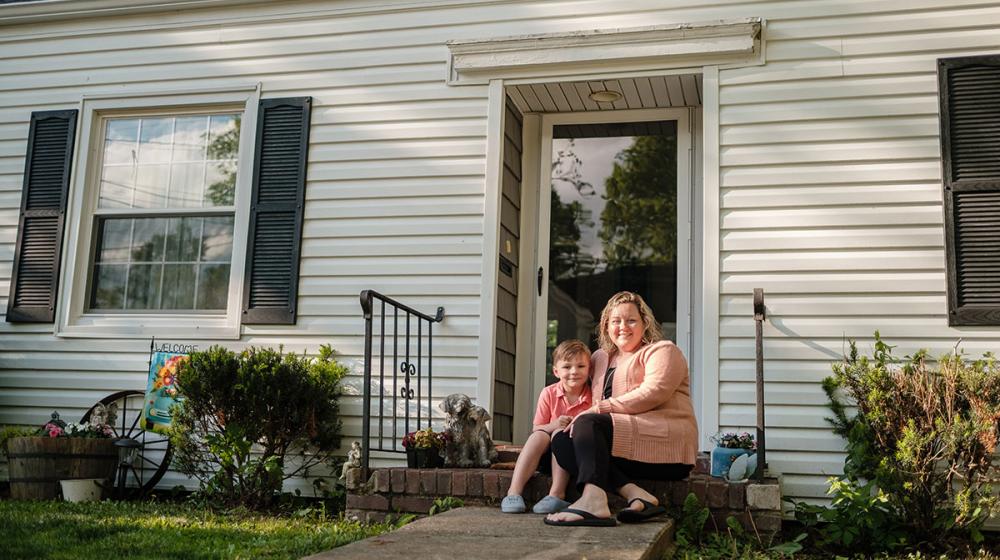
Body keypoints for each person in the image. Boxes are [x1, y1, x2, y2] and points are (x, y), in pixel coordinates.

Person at [544, 291, 698, 527]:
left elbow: (652, 393)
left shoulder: (663, 351)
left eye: (631, 320)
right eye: (615, 321)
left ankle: (594, 500)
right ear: (606, 326)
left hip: (664, 448)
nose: (623, 327)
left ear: (645, 323)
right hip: (623, 447)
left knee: (588, 422)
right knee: (562, 441)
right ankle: (637, 494)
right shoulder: (599, 358)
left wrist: (598, 409)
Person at [501, 339, 592, 514]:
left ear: (589, 370)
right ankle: (513, 492)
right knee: (540, 435)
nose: (574, 371)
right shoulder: (549, 393)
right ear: (556, 371)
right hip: (544, 457)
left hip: (572, 458)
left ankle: (556, 494)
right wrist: (555, 424)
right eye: (567, 367)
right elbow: (538, 428)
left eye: (581, 366)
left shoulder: (593, 396)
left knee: (560, 434)